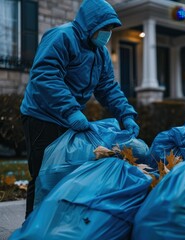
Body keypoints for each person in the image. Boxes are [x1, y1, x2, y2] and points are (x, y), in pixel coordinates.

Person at [20, 0, 139, 218]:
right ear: (90, 24)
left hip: (69, 118)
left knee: (65, 173)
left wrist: (126, 114)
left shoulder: (100, 53)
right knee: (43, 173)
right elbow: (45, 76)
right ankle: (32, 226)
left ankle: (54, 224)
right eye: (104, 27)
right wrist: (70, 110)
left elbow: (107, 88)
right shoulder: (62, 37)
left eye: (111, 29)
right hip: (41, 116)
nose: (107, 33)